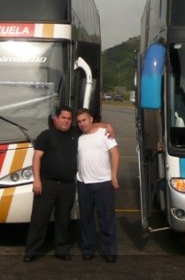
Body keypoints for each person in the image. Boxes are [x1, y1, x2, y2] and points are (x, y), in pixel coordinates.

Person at [23, 106, 113, 262]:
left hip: (67, 186)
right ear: (56, 119)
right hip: (47, 184)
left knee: (64, 220)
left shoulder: (75, 133)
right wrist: (37, 180)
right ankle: (32, 251)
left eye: (69, 119)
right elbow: (36, 158)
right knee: (39, 219)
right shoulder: (46, 135)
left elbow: (90, 125)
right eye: (63, 118)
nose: (66, 121)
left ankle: (61, 249)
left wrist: (107, 126)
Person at [75, 108, 120, 263]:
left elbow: (115, 153)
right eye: (79, 121)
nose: (82, 124)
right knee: (86, 219)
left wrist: (113, 175)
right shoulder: (78, 137)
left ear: (91, 119)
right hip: (83, 183)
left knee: (106, 218)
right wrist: (106, 123)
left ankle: (110, 250)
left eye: (84, 120)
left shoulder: (104, 134)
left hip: (103, 183)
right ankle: (88, 249)